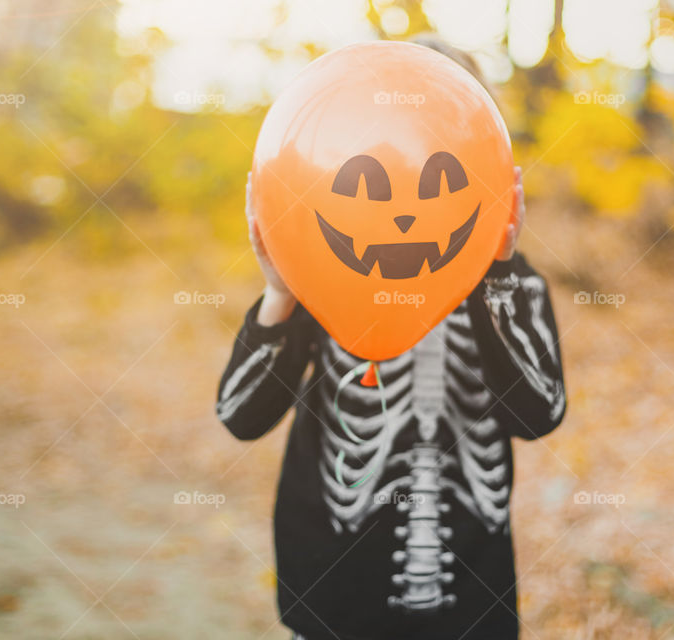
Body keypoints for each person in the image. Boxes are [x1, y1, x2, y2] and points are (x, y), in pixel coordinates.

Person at [217, 38, 566, 640]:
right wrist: (281, 292)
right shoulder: (323, 270)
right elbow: (241, 417)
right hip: (330, 597)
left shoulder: (512, 287)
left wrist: (493, 276)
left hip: (471, 603)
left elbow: (537, 414)